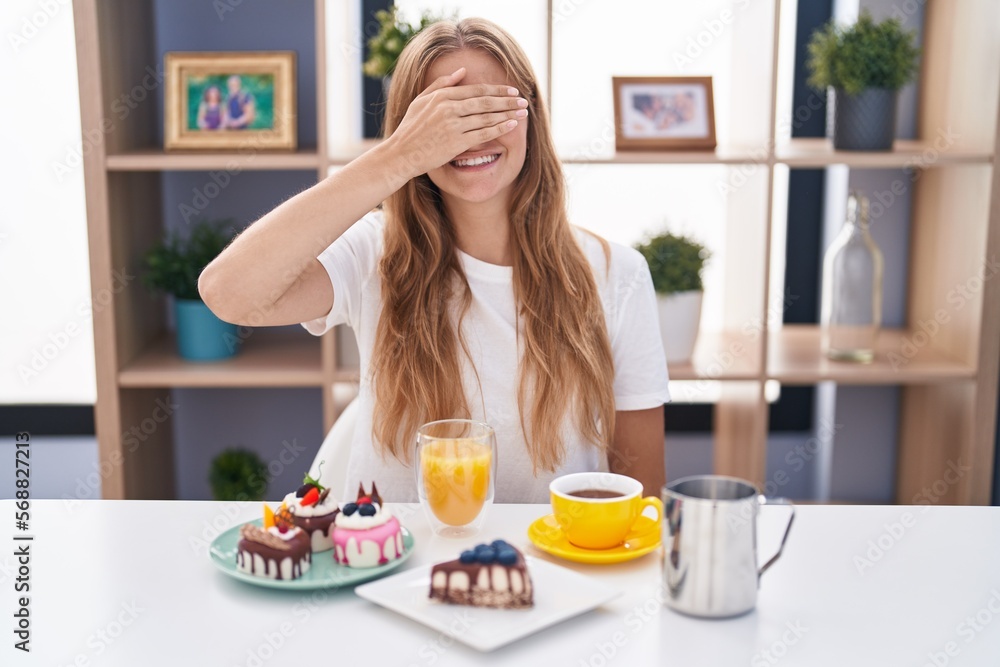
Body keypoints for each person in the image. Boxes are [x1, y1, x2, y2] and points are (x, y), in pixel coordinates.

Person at [199, 18, 670, 503]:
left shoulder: (618, 275)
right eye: (443, 121)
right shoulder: (372, 253)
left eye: (489, 109)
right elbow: (228, 293)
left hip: (550, 566)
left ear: (531, 115)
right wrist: (398, 156)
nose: (470, 136)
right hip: (394, 568)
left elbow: (642, 494)